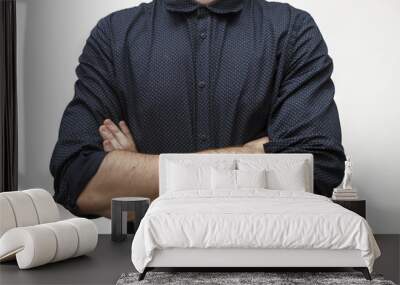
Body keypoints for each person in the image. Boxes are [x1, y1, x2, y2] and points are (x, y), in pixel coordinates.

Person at [50, 0, 346, 218]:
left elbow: (317, 168)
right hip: (147, 267)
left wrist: (140, 172)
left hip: (271, 261)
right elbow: (76, 179)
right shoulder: (114, 35)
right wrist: (254, 154)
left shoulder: (292, 30)